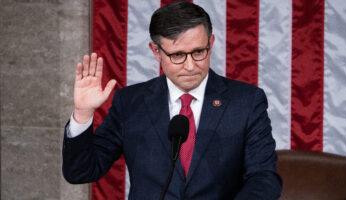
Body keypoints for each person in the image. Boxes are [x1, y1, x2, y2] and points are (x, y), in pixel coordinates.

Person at [62, 1, 282, 199]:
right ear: (156, 51)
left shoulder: (246, 101)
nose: (189, 66)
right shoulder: (129, 103)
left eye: (198, 52)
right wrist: (83, 114)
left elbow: (264, 178)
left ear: (211, 43)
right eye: (177, 55)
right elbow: (81, 172)